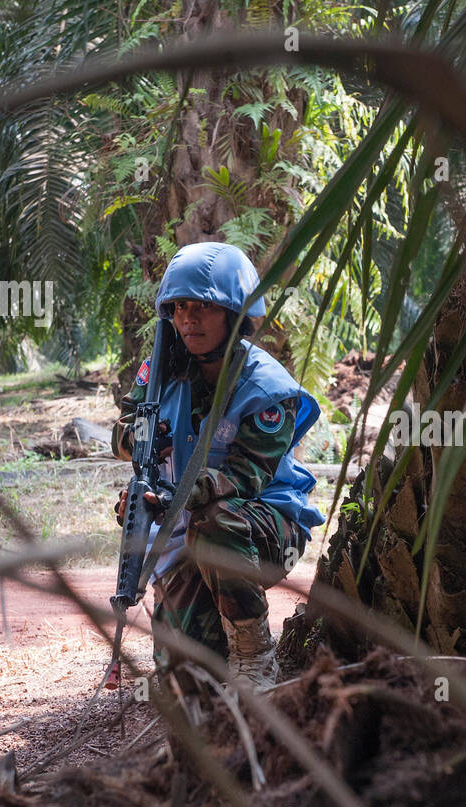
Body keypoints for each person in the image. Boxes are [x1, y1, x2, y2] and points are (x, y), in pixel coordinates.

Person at [112, 242, 324, 690]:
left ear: (236, 315)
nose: (188, 318)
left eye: (204, 307)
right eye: (180, 307)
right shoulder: (160, 373)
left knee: (216, 521)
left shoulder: (267, 388)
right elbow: (121, 435)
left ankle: (255, 655)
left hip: (265, 524)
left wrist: (183, 495)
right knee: (183, 677)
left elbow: (248, 476)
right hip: (186, 525)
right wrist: (145, 468)